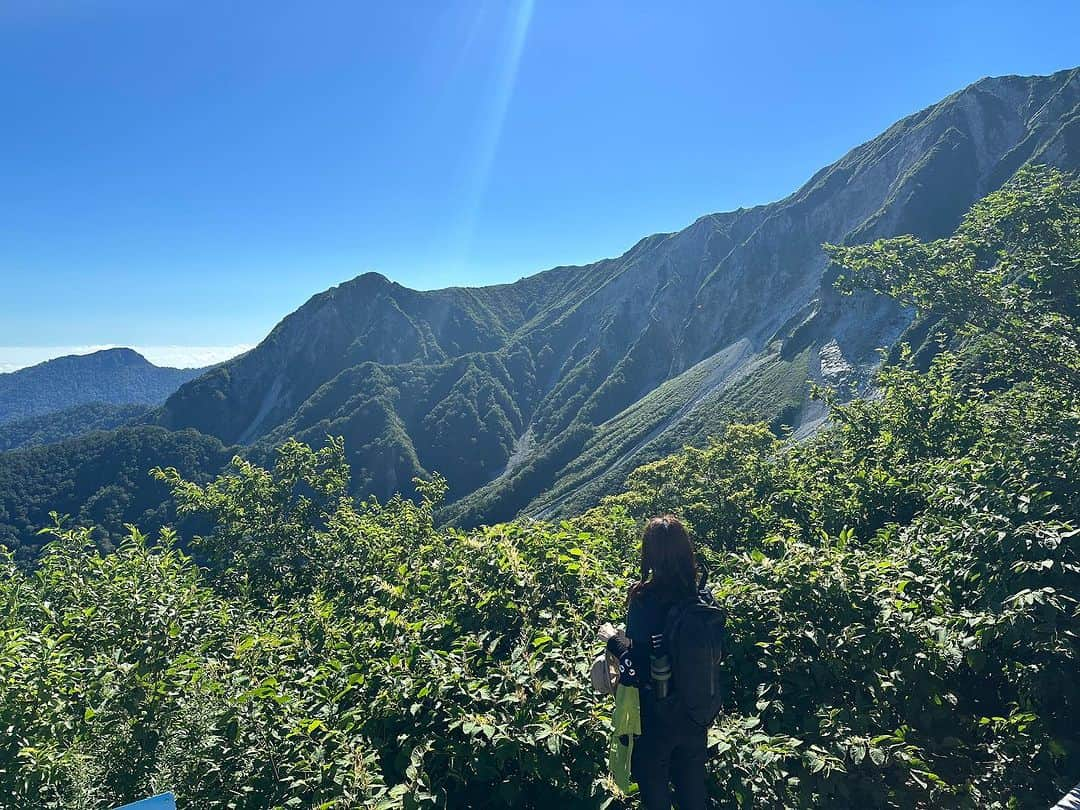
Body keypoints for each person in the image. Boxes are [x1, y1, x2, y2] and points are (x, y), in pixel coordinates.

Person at [598, 515, 709, 810]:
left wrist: (612, 639)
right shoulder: (701, 597)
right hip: (696, 710)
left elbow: (635, 663)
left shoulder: (644, 598)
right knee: (693, 789)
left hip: (656, 715)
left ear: (649, 554)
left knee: (654, 789)